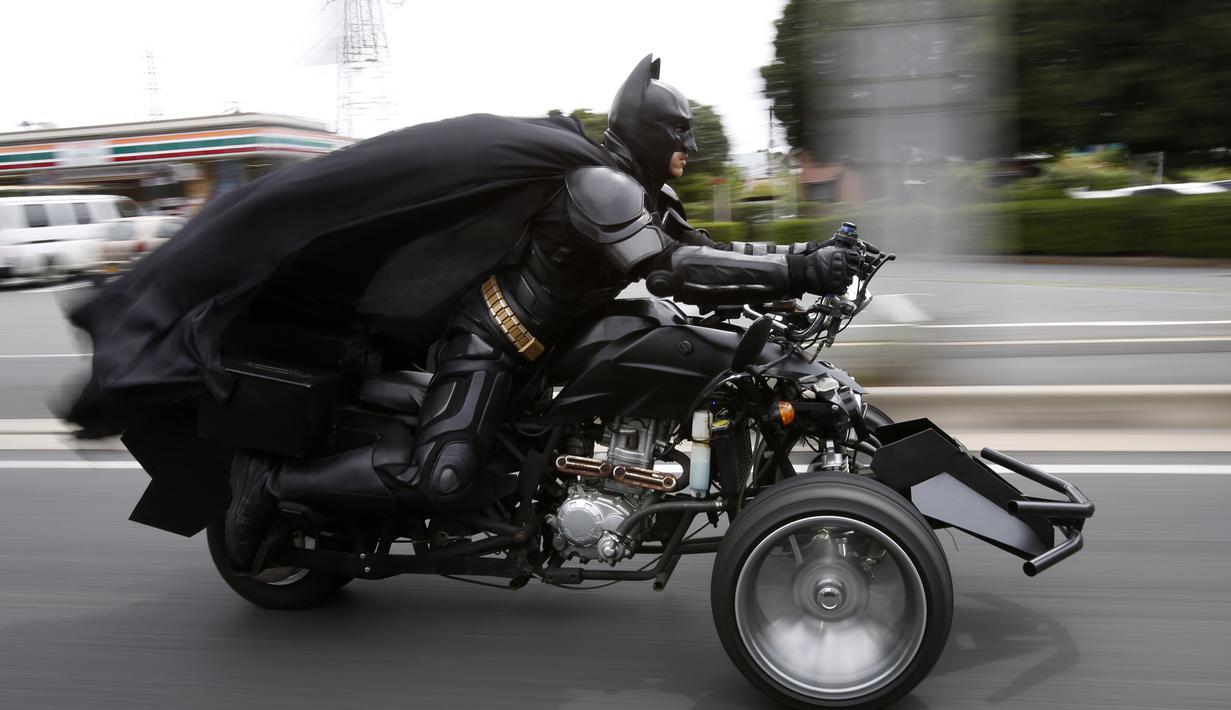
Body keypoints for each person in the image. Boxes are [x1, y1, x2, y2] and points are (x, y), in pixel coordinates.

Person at [58, 55, 860, 571]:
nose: (687, 144)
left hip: (548, 352)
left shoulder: (643, 195)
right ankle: (269, 482)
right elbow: (670, 268)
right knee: (441, 476)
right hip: (494, 346)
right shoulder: (600, 186)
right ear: (646, 133)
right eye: (677, 131)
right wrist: (800, 267)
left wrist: (804, 267)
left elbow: (704, 257)